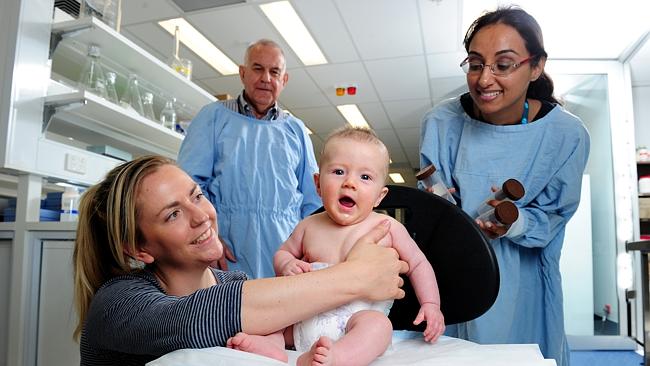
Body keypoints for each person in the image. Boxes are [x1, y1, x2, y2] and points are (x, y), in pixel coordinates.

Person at [72, 155, 408, 366]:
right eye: (173, 214)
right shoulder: (116, 304)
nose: (201, 216)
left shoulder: (236, 282)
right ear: (138, 249)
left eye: (197, 196)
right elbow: (197, 316)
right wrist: (356, 275)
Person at [419, 6, 590, 366]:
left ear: (536, 66)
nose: (484, 79)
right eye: (476, 63)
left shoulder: (566, 135)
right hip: (454, 279)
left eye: (504, 64)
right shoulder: (441, 123)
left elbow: (553, 218)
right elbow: (433, 204)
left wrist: (516, 222)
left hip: (523, 287)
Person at [228, 126, 445, 365]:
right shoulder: (308, 226)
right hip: (304, 314)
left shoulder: (387, 226)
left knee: (378, 326)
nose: (350, 183)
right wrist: (288, 263)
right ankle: (273, 344)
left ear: (379, 196)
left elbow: (417, 263)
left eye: (365, 177)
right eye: (339, 171)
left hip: (356, 320)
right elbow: (282, 253)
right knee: (276, 318)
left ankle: (338, 356)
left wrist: (431, 304)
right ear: (318, 184)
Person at [177, 39, 321, 279]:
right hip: (226, 252)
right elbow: (188, 189)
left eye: (274, 71)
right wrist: (207, 237)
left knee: (284, 315)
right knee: (229, 313)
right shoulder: (213, 117)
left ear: (284, 80)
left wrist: (307, 248)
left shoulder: (296, 130)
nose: (266, 78)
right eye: (257, 68)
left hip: (286, 256)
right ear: (242, 73)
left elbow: (312, 201)